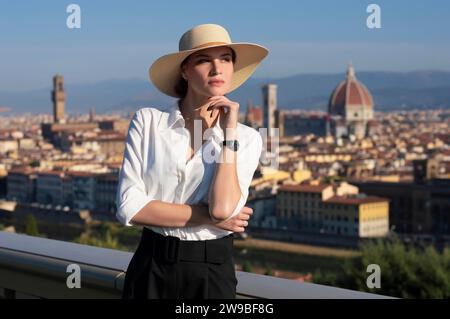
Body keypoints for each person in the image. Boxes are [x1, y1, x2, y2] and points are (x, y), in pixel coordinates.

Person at [116, 23, 268, 299]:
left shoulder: (246, 139)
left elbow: (222, 210)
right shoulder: (149, 122)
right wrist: (205, 216)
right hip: (151, 264)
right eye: (203, 60)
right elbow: (129, 208)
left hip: (211, 272)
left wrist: (228, 133)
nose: (217, 68)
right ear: (184, 70)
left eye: (225, 59)